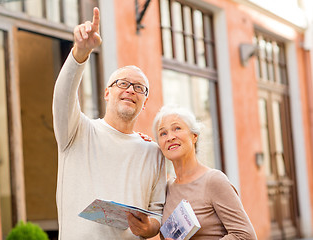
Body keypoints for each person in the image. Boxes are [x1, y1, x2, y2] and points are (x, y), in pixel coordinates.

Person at [52, 7, 166, 240]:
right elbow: (63, 96)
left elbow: (158, 211)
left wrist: (150, 228)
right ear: (107, 93)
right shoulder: (77, 131)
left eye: (139, 88)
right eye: (122, 84)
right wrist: (79, 54)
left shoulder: (154, 152)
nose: (130, 90)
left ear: (144, 103)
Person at [152, 105, 258, 240]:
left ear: (194, 136)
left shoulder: (214, 180)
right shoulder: (167, 188)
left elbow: (245, 236)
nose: (170, 137)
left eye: (177, 128)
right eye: (163, 133)